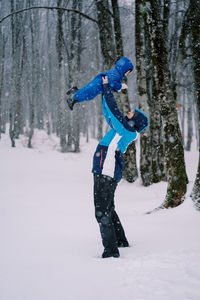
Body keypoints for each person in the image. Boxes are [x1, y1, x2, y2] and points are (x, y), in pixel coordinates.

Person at [92, 76, 149, 258]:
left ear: (135, 122)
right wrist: (104, 91)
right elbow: (109, 113)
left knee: (102, 212)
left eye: (132, 113)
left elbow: (112, 110)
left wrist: (107, 87)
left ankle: (111, 251)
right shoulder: (124, 128)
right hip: (107, 170)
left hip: (106, 171)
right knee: (108, 208)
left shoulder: (126, 129)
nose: (128, 113)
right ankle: (120, 240)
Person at [66, 57, 134, 110]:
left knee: (89, 95)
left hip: (99, 86)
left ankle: (75, 92)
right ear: (124, 69)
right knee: (87, 93)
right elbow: (112, 83)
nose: (127, 74)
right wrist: (120, 86)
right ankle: (73, 100)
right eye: (128, 72)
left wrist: (116, 89)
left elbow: (110, 85)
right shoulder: (116, 73)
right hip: (98, 84)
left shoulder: (118, 74)